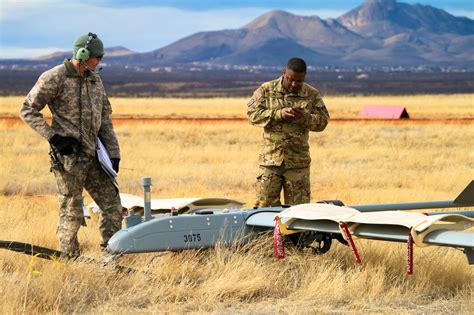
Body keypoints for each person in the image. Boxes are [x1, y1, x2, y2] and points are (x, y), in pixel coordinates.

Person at [20, 33, 122, 256]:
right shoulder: (54, 77)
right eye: (98, 57)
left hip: (95, 157)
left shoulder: (95, 80)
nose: (100, 61)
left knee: (113, 207)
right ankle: (69, 260)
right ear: (83, 54)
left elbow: (105, 118)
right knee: (71, 210)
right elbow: (27, 110)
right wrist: (54, 137)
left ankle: (112, 255)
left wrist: (113, 153)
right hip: (69, 158)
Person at [247, 57, 330, 207]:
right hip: (271, 161)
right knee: (265, 207)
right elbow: (252, 115)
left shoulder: (311, 94)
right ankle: (267, 232)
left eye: (298, 81)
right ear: (284, 72)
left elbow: (323, 122)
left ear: (304, 77)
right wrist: (278, 114)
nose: (294, 84)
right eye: (290, 79)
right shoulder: (266, 90)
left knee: (298, 211)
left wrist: (304, 118)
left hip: (298, 163)